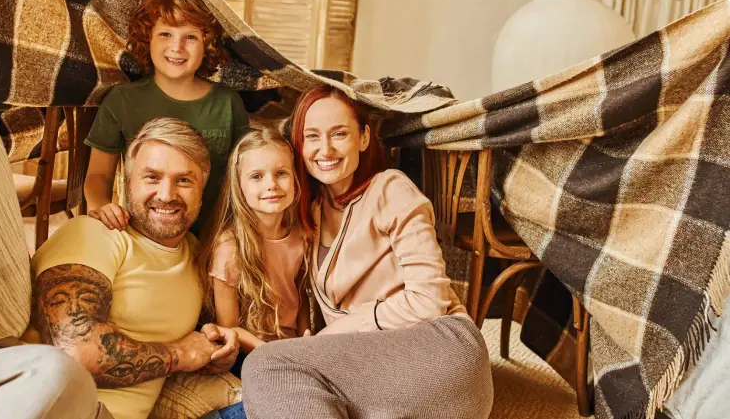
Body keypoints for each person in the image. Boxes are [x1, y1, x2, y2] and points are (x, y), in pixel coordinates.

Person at [240, 85, 494, 418]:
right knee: (289, 380)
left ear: (363, 138)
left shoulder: (390, 188)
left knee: (266, 365)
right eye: (312, 136)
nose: (325, 149)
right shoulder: (313, 211)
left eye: (339, 133)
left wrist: (333, 334)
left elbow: (430, 299)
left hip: (443, 350)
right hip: (383, 373)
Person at [25, 117, 243, 419]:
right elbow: (75, 351)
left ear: (201, 191)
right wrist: (181, 354)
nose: (167, 195)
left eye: (184, 180)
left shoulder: (198, 256)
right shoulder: (94, 234)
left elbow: (196, 342)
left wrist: (217, 351)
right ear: (128, 184)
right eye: (152, 177)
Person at [84, 0, 249, 234]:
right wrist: (101, 207)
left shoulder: (227, 103)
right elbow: (98, 175)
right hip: (145, 235)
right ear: (146, 39)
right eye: (165, 34)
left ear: (208, 45)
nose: (177, 47)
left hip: (212, 237)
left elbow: (241, 180)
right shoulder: (122, 100)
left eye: (190, 37)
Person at [199, 129, 309, 376]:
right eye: (257, 176)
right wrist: (275, 355)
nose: (271, 185)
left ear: (295, 180)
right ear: (239, 186)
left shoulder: (301, 236)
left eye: (281, 173)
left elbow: (300, 298)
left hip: (293, 348)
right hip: (250, 355)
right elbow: (229, 328)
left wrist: (304, 339)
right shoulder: (229, 247)